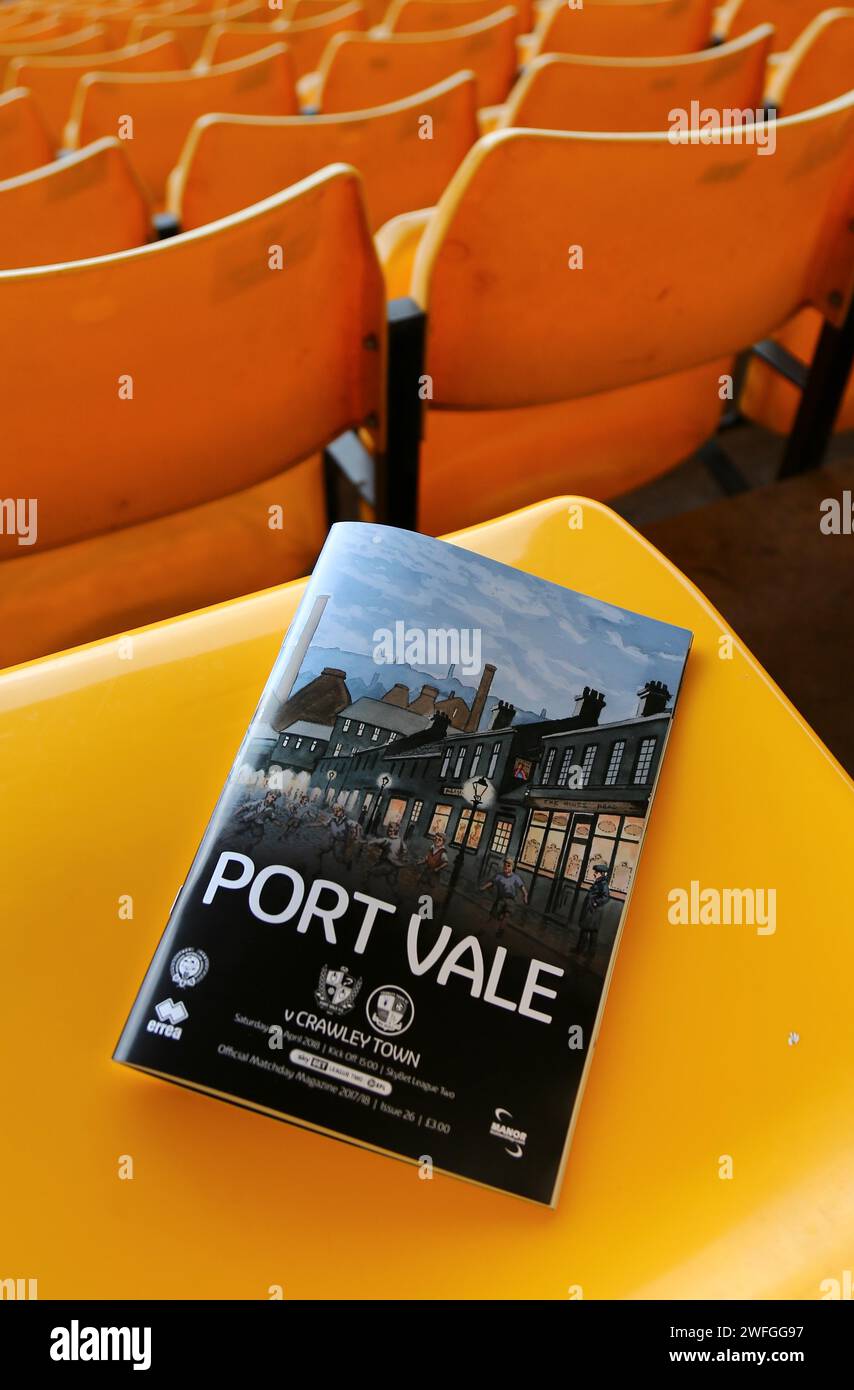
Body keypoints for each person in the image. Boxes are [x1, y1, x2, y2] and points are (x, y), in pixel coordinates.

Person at [576, 862, 610, 956]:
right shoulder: (599, 882)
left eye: (596, 872)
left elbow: (606, 897)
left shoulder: (603, 884)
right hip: (591, 910)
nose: (594, 873)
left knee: (591, 931)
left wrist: (595, 902)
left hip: (594, 911)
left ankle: (588, 952)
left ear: (602, 874)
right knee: (586, 929)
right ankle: (581, 950)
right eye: (595, 871)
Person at [365, 821, 407, 888]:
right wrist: (400, 856)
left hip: (387, 864)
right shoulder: (400, 841)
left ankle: (366, 888)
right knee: (389, 882)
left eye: (390, 830)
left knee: (369, 872)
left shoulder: (387, 840)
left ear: (394, 831)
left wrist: (369, 842)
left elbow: (377, 841)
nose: (388, 832)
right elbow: (404, 850)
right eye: (388, 830)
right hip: (394, 866)